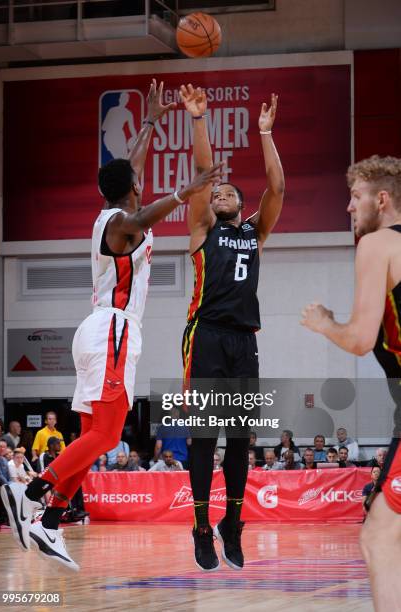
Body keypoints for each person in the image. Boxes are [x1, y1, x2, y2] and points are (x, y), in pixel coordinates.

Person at [0, 78, 222, 572]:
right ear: (131, 192)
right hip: (113, 331)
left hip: (101, 332)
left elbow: (133, 172)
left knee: (92, 435)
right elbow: (144, 210)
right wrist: (182, 193)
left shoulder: (112, 210)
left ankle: (50, 521)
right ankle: (31, 489)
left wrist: (148, 121)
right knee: (108, 435)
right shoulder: (121, 222)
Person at [180, 83, 284, 571]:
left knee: (241, 439)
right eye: (216, 193)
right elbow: (202, 178)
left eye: (227, 192)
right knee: (204, 437)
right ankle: (201, 526)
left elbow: (277, 190)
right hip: (206, 336)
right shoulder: (203, 230)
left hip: (244, 341)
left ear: (240, 204)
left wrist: (265, 134)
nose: (219, 193)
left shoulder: (254, 232)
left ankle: (232, 522)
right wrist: (199, 120)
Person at [301, 155, 401, 611]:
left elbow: (360, 339)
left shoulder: (378, 244)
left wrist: (324, 324)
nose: (348, 207)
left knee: (379, 537)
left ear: (381, 200)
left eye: (356, 197)